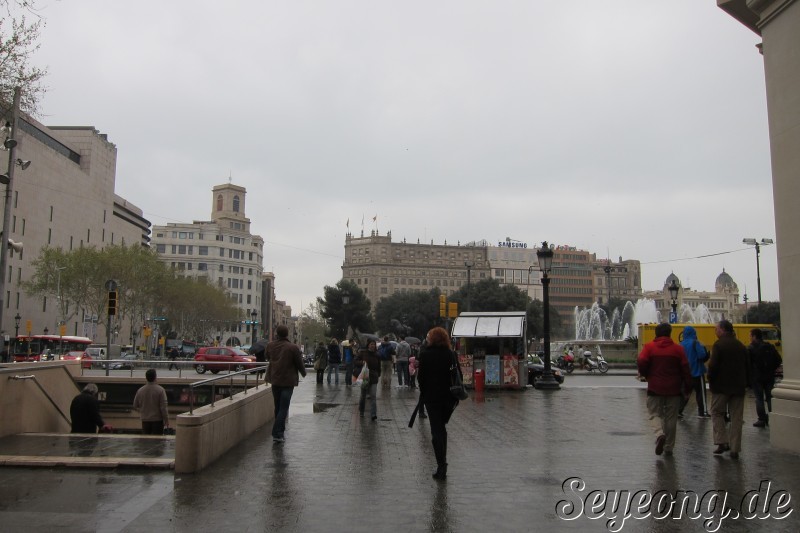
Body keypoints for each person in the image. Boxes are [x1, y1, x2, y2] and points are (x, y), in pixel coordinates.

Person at [637, 322, 692, 456]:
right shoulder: (678, 349)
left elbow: (641, 361)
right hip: (674, 388)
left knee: (654, 414)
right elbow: (686, 370)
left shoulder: (649, 347)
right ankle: (668, 447)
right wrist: (688, 388)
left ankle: (659, 434)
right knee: (671, 418)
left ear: (656, 333)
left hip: (655, 387)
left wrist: (646, 374)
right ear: (669, 333)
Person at [418, 327, 461, 480]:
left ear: (433, 339)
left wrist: (424, 392)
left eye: (429, 336)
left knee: (436, 430)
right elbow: (458, 374)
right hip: (449, 397)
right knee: (442, 428)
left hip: (431, 398)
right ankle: (443, 463)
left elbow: (420, 378)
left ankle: (441, 466)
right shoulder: (450, 354)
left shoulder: (424, 355)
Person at [707, 319, 750, 459]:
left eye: (716, 329)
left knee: (716, 413)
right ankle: (735, 448)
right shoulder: (741, 345)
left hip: (721, 387)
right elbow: (747, 365)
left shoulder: (719, 345)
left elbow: (712, 366)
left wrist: (711, 380)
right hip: (738, 387)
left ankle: (722, 442)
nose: (715, 331)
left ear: (723, 330)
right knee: (736, 417)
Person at [264, 324, 307, 444]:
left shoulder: (270, 345)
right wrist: (303, 373)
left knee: (277, 407)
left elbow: (267, 357)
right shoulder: (292, 347)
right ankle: (277, 433)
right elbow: (299, 363)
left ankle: (280, 433)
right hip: (288, 381)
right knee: (284, 407)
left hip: (275, 380)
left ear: (277, 333)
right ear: (287, 334)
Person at [748, 328, 782, 428]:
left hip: (757, 377)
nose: (749, 338)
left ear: (754, 336)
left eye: (750, 336)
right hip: (769, 376)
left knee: (759, 399)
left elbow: (748, 363)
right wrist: (771, 369)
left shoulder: (751, 348)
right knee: (770, 397)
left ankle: (762, 420)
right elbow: (778, 360)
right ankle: (773, 417)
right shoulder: (769, 346)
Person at [679, 326, 710, 418]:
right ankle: (703, 412)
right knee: (701, 393)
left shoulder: (681, 344)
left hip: (685, 374)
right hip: (697, 372)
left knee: (685, 392)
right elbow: (701, 355)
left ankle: (679, 410)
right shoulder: (695, 343)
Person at [133, 369, 170, 435]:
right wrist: (166, 419)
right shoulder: (160, 390)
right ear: (155, 377)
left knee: (146, 441)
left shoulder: (140, 390)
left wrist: (142, 411)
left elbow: (135, 406)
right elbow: (163, 407)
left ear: (146, 377)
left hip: (145, 420)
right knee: (157, 442)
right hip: (157, 420)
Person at [355, 339, 381, 420]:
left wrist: (378, 374)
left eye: (374, 344)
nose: (373, 346)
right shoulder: (363, 353)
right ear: (368, 345)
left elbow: (379, 366)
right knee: (363, 396)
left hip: (374, 377)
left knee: (373, 395)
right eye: (371, 344)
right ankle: (361, 411)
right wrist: (361, 362)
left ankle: (373, 414)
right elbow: (355, 361)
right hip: (365, 377)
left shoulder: (377, 354)